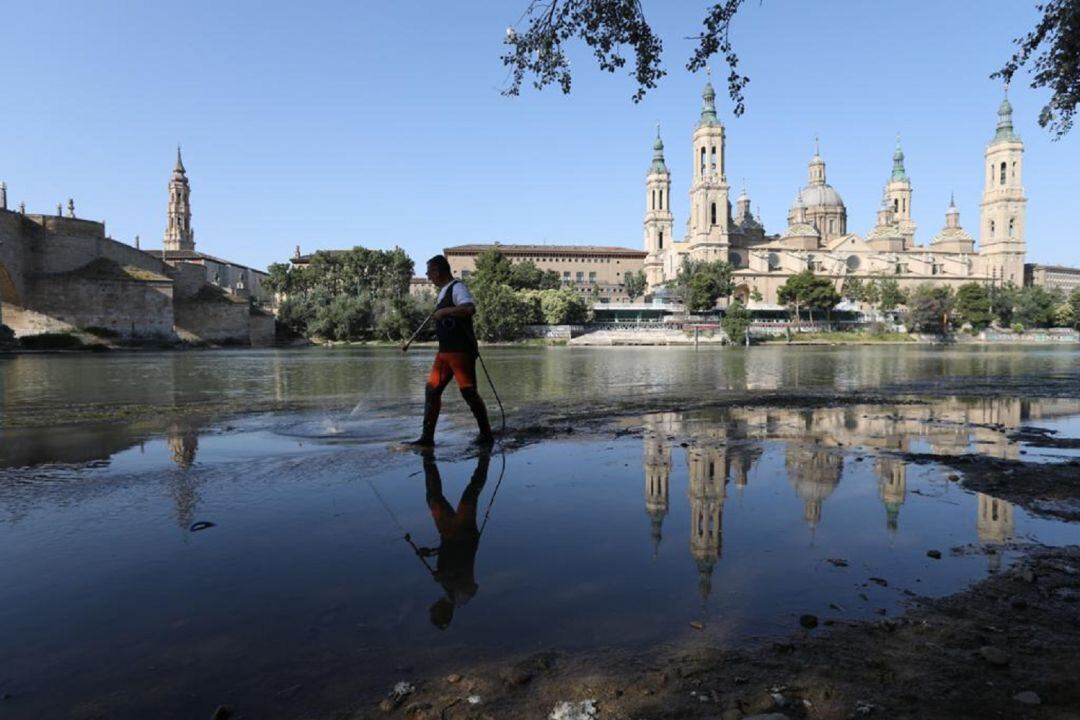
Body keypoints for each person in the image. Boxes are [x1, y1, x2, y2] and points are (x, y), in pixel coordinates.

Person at [408, 255, 493, 447]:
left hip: (461, 351)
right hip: (445, 352)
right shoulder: (442, 293)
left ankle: (486, 434)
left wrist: (445, 312)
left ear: (438, 271)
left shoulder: (458, 287)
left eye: (429, 272)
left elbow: (469, 308)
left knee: (468, 392)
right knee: (431, 390)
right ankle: (427, 438)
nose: (428, 277)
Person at [414, 451, 490, 629]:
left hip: (449, 534)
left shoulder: (450, 592)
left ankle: (428, 460)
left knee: (433, 498)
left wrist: (430, 553)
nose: (432, 607)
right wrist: (445, 578)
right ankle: (485, 459)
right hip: (463, 533)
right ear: (444, 612)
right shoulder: (461, 597)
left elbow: (450, 555)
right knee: (470, 493)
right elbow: (471, 586)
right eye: (435, 611)